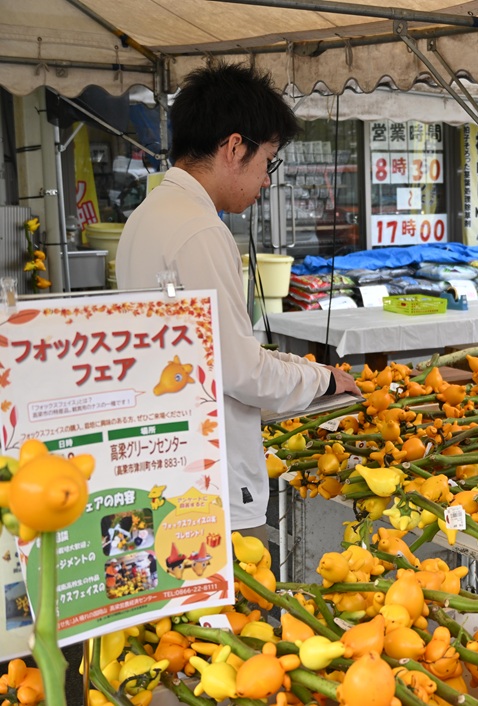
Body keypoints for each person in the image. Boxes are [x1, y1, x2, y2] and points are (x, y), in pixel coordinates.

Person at [116, 63, 360, 544]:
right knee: (240, 616)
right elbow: (242, 372)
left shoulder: (145, 218)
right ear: (234, 148)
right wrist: (325, 379)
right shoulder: (201, 231)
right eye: (267, 161)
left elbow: (214, 353)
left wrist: (293, 365)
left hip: (167, 466)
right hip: (213, 488)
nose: (266, 181)